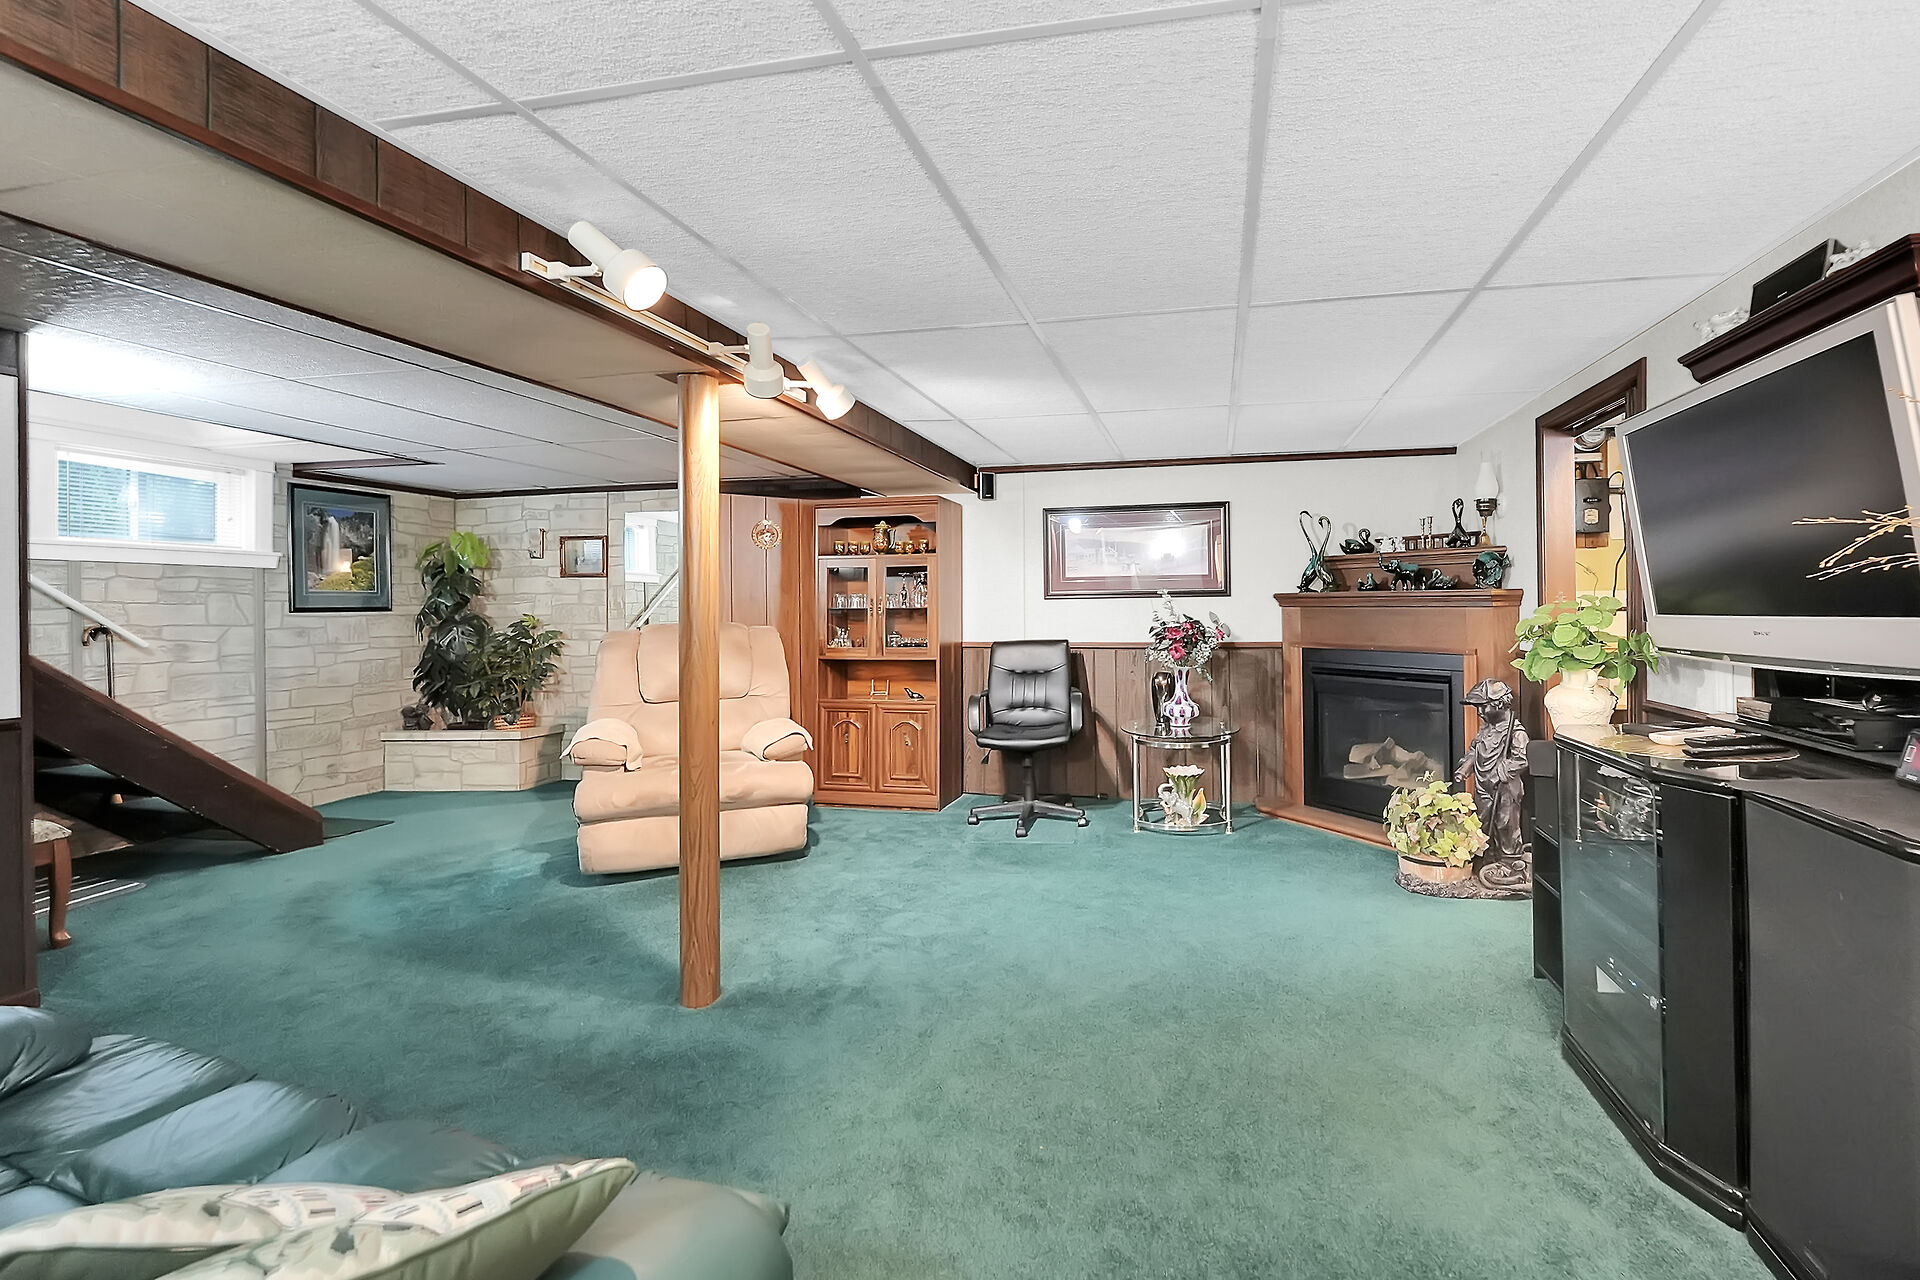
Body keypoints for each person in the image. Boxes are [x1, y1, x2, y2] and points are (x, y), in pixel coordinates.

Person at [1455, 678, 1532, 894]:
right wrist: (1465, 769)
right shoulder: (1486, 730)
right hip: (1483, 785)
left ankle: (1510, 864)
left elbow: (1522, 758)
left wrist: (1504, 770)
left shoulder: (1515, 732)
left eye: (1483, 706)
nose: (1480, 712)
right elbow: (1475, 751)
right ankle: (1486, 860)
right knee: (1482, 819)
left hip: (1505, 787)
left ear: (1499, 704)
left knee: (1506, 823)